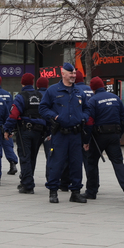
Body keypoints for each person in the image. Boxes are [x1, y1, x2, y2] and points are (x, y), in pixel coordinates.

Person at [39, 63, 89, 204]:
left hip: (75, 134)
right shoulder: (53, 90)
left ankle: (76, 192)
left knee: (76, 164)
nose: (73, 76)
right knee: (56, 163)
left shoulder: (79, 92)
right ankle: (53, 192)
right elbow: (43, 108)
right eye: (70, 73)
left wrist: (83, 117)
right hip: (60, 134)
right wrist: (55, 117)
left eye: (74, 73)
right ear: (63, 74)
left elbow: (87, 108)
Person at [82, 76, 124, 202]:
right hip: (114, 135)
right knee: (118, 162)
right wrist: (120, 134)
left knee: (92, 162)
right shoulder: (116, 98)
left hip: (98, 136)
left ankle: (91, 191)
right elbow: (123, 118)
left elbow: (89, 122)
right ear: (103, 86)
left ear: (93, 88)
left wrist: (86, 140)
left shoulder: (93, 101)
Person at [4, 73, 46, 194]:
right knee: (32, 157)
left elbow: (13, 115)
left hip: (25, 130)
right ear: (32, 83)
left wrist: (7, 129)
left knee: (25, 157)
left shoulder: (21, 96)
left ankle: (27, 185)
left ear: (22, 83)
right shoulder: (40, 95)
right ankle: (26, 181)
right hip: (39, 131)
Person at [60, 70, 93, 191]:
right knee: (87, 160)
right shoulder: (90, 90)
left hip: (75, 129)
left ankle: (65, 182)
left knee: (70, 158)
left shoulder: (75, 91)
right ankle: (91, 185)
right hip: (89, 126)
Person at [0, 74, 18, 175]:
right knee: (8, 145)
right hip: (6, 123)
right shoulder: (7, 94)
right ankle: (12, 163)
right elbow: (11, 109)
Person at [36, 76, 52, 189]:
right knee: (51, 156)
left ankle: (27, 181)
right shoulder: (52, 95)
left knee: (31, 156)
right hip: (50, 130)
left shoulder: (33, 95)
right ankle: (50, 179)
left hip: (35, 129)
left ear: (37, 85)